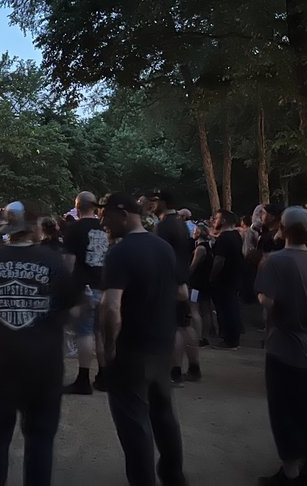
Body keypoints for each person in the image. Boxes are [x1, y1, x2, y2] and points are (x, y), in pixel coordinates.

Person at [0, 200, 82, 486]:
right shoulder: (53, 261)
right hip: (44, 366)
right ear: (33, 227)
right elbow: (72, 308)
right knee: (40, 440)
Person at [99, 193, 186, 486]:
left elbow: (111, 307)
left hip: (131, 350)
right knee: (164, 414)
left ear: (123, 215)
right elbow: (181, 293)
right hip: (161, 346)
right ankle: (173, 476)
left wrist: (109, 348)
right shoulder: (163, 248)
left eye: (106, 217)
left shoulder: (119, 253)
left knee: (134, 423)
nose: (103, 223)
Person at [254, 206, 307, 486]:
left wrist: (262, 295)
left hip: (284, 349)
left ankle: (290, 473)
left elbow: (269, 301)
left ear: (282, 229)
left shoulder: (274, 262)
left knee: (285, 412)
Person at [63, 190, 110, 394]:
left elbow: (69, 263)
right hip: (105, 287)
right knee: (101, 333)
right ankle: (104, 376)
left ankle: (83, 379)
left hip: (85, 288)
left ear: (77, 206)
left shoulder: (74, 229)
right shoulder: (105, 228)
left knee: (85, 332)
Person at [152, 191, 198, 386]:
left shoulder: (164, 225)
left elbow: (159, 256)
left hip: (171, 281)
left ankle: (175, 371)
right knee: (186, 325)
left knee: (175, 327)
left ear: (163, 202)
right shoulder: (181, 223)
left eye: (155, 202)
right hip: (183, 278)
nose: (153, 205)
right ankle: (194, 367)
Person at [210, 209, 245, 350]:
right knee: (232, 307)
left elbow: (219, 260)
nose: (214, 220)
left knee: (225, 310)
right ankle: (233, 338)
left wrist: (212, 276)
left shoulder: (224, 238)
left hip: (223, 279)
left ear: (223, 220)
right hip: (234, 277)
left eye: (217, 218)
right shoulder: (236, 235)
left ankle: (228, 340)